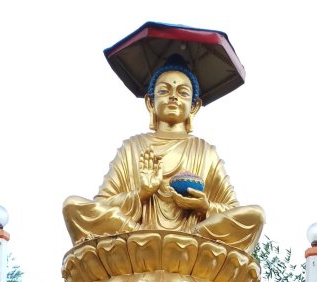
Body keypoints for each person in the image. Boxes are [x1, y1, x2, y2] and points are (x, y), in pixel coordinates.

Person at [63, 58, 264, 253]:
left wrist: (205, 206)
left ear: (194, 106)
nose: (173, 97)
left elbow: (232, 209)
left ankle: (161, 246)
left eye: (183, 92)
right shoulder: (132, 147)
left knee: (255, 216)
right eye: (163, 91)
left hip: (192, 236)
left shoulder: (206, 152)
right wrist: (141, 193)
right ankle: (160, 245)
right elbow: (101, 205)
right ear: (150, 103)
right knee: (73, 207)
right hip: (138, 233)